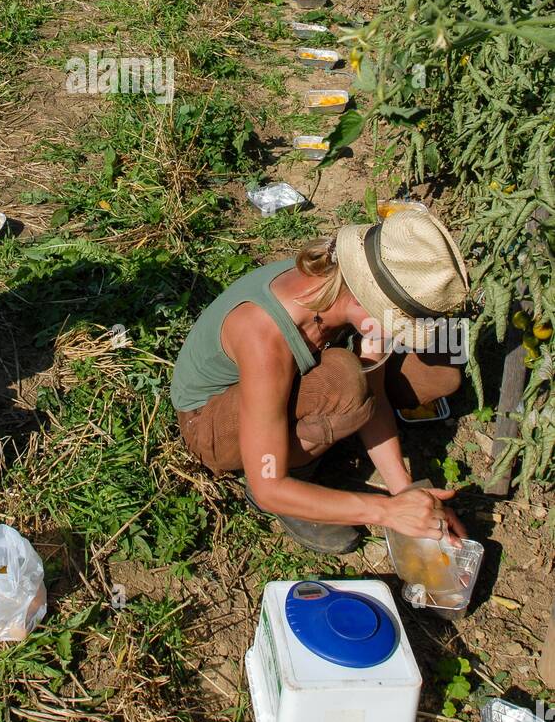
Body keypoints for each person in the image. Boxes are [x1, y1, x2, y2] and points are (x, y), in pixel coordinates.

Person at [171, 209, 469, 553]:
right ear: (363, 299)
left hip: (281, 387)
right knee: (342, 381)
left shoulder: (343, 287)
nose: (397, 334)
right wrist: (387, 511)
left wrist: (403, 490)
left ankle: (325, 434)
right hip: (211, 421)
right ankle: (296, 477)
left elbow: (374, 394)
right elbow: (270, 487)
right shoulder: (263, 337)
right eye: (399, 323)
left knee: (436, 370)